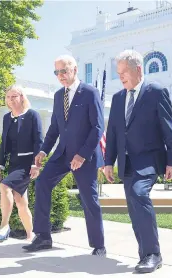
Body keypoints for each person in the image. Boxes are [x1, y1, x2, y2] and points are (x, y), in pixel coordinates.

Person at [104, 50, 172, 273]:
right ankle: (144, 254)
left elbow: (170, 128)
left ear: (138, 69)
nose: (121, 77)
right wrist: (109, 162)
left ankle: (153, 254)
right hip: (126, 162)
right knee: (133, 208)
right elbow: (114, 132)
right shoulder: (118, 98)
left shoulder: (156, 92)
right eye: (118, 74)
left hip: (149, 160)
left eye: (124, 72)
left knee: (139, 193)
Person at [22, 55, 106, 256]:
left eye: (64, 71)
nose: (60, 76)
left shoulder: (90, 93)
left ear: (75, 70)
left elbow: (97, 127)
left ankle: (99, 245)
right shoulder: (59, 95)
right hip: (62, 154)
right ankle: (43, 237)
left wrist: (82, 155)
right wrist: (43, 150)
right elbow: (55, 127)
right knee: (42, 182)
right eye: (57, 72)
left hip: (84, 156)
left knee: (88, 198)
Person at [0, 85, 43, 241]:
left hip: (27, 164)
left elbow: (38, 141)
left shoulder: (32, 115)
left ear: (22, 97)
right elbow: (4, 143)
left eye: (14, 96)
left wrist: (36, 165)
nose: (10, 100)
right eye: (8, 97)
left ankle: (4, 226)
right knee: (21, 202)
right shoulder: (7, 118)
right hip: (13, 163)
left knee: (4, 186)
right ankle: (31, 235)